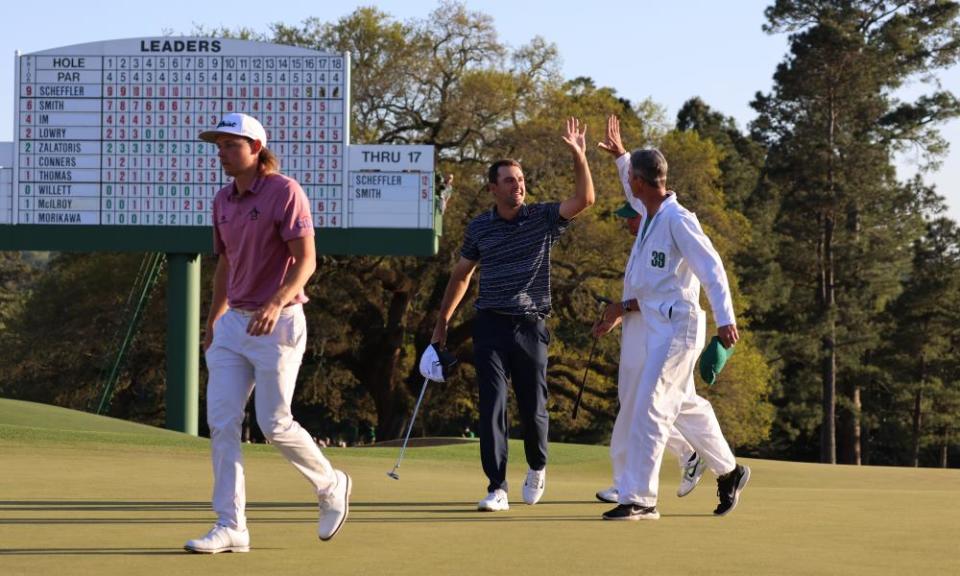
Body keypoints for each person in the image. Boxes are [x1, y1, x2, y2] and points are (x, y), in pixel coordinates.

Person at [184, 113, 350, 553]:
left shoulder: (285, 191)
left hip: (281, 321)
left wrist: (276, 302)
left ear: (256, 148)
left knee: (274, 422)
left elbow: (307, 260)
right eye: (218, 146)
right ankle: (231, 525)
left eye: (230, 145)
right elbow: (226, 264)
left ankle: (331, 485)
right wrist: (213, 318)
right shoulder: (222, 200)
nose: (221, 153)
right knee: (221, 422)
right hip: (233, 325)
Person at [432, 118, 595, 512]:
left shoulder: (541, 218)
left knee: (533, 406)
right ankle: (497, 486)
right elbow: (461, 275)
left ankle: (537, 466)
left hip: (530, 325)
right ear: (492, 188)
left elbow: (585, 200)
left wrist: (579, 155)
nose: (517, 185)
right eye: (508, 180)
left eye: (520, 179)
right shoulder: (480, 227)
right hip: (489, 323)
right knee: (491, 404)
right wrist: (442, 323)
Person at [593, 115, 750, 520]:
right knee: (684, 405)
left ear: (644, 183)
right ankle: (730, 472)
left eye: (633, 178)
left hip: (679, 328)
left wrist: (726, 318)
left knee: (651, 405)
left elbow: (712, 269)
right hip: (656, 327)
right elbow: (630, 189)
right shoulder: (647, 213)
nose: (631, 185)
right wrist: (622, 157)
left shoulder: (678, 220)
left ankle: (641, 500)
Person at [593, 201, 706, 505]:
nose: (628, 224)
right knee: (652, 406)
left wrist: (623, 308)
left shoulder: (669, 237)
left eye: (632, 218)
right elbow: (637, 298)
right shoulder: (642, 246)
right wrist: (616, 317)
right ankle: (691, 455)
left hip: (661, 338)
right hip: (643, 336)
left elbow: (659, 296)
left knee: (646, 406)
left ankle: (629, 482)